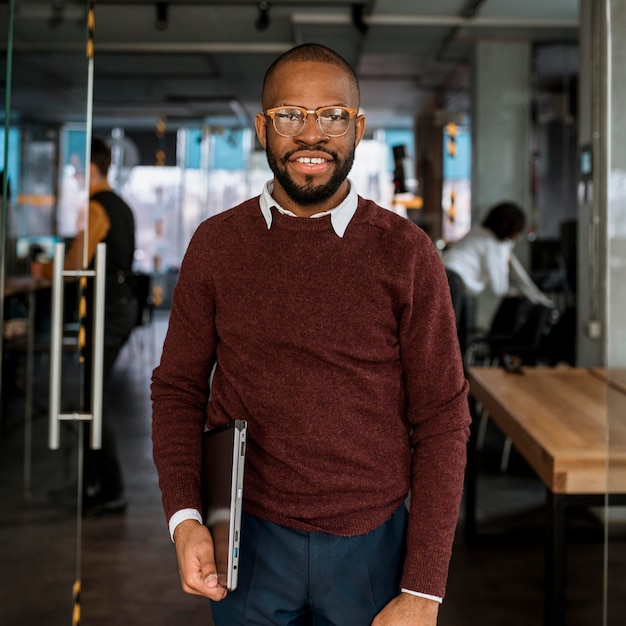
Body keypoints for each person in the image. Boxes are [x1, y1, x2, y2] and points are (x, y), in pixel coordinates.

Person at [151, 43, 471, 626]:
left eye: (332, 116)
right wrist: (185, 517)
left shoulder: (406, 253)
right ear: (262, 128)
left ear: (358, 128)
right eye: (291, 115)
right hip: (246, 544)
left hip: (372, 546)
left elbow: (444, 418)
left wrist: (424, 589)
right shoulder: (217, 244)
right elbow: (177, 389)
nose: (311, 135)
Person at [32, 137, 137, 516]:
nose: (74, 176)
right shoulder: (120, 205)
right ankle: (96, 484)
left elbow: (75, 261)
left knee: (94, 403)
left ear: (90, 169)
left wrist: (42, 269)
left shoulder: (98, 207)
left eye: (76, 169)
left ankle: (109, 489)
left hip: (106, 314)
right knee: (94, 401)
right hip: (120, 309)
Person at [442, 202, 553, 353]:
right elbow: (498, 288)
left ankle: (458, 373)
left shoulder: (479, 231)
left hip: (444, 273)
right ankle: (455, 374)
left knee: (453, 334)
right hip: (454, 281)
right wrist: (514, 291)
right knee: (451, 337)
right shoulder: (495, 245)